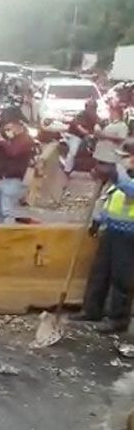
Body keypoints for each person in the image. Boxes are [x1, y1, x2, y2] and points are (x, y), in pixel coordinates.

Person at [72, 141, 134, 333]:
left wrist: (116, 175)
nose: (121, 161)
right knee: (100, 272)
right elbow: (107, 199)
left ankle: (118, 320)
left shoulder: (124, 178)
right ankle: (91, 309)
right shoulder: (121, 178)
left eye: (125, 157)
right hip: (111, 230)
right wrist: (98, 219)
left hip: (129, 234)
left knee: (121, 277)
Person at [0, 115, 35, 223]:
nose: (7, 130)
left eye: (9, 128)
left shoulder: (25, 139)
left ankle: (9, 234)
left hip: (12, 179)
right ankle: (0, 234)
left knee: (8, 211)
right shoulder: (4, 138)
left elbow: (13, 152)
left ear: (17, 125)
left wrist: (3, 142)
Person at [92, 106, 129, 185]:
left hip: (110, 158)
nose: (110, 114)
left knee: (108, 182)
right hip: (102, 157)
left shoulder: (122, 126)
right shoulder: (109, 124)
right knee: (99, 181)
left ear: (116, 113)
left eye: (111, 112)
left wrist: (104, 136)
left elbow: (121, 138)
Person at [62, 99, 99, 174]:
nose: (93, 109)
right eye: (91, 107)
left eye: (94, 107)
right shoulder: (81, 115)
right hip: (76, 136)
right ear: (86, 107)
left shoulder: (95, 116)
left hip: (87, 137)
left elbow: (98, 124)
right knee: (73, 151)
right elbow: (78, 126)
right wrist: (85, 132)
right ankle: (67, 170)